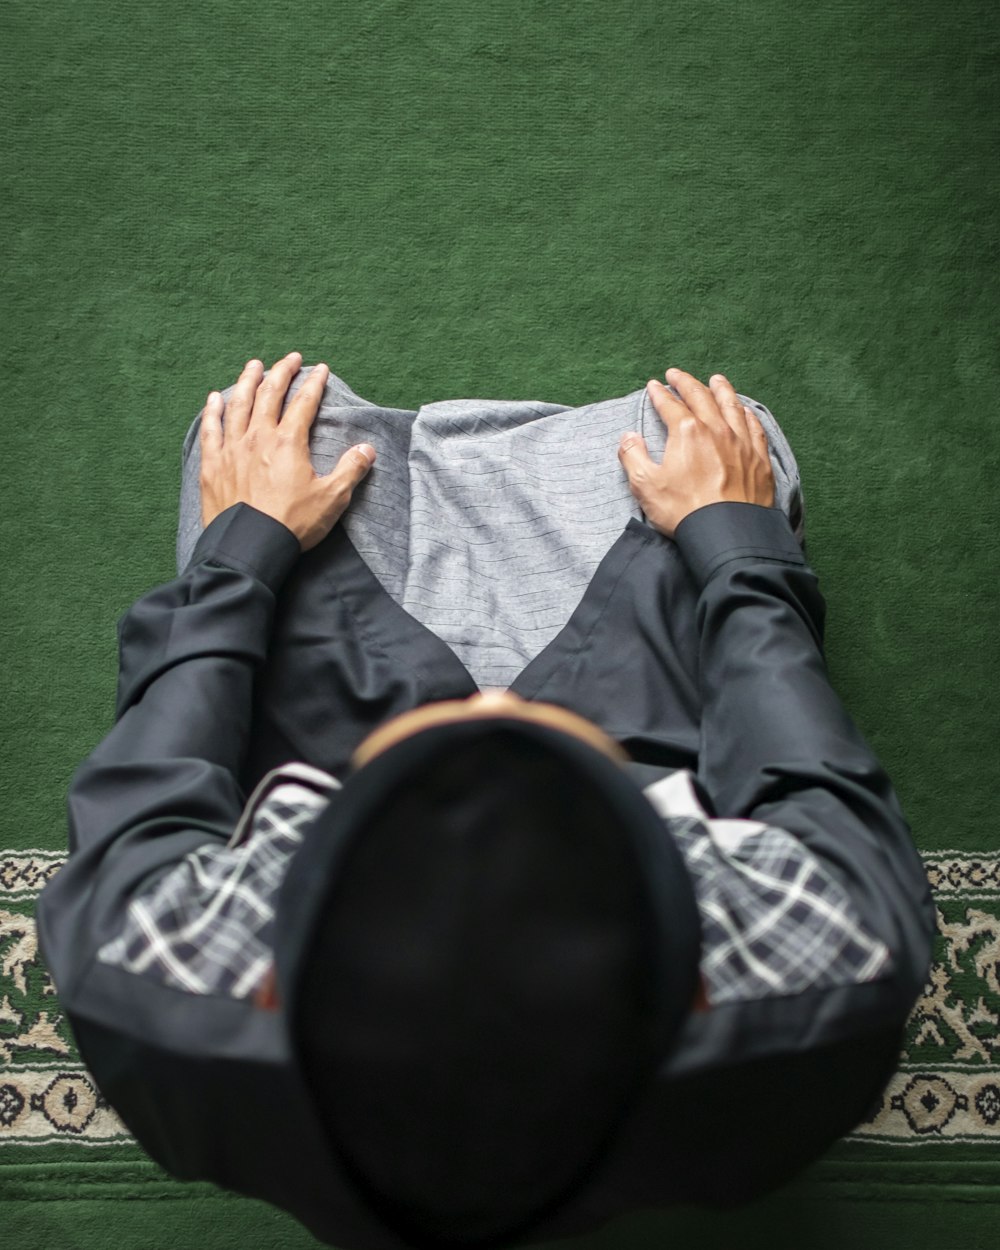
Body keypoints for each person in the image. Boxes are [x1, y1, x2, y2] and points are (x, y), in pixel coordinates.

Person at [35, 354, 936, 1250]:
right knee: (725, 452)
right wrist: (736, 547)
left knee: (267, 436)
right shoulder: (837, 968)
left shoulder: (147, 980)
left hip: (349, 736)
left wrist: (242, 554)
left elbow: (154, 775)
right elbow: (808, 777)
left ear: (271, 952)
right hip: (643, 747)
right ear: (698, 958)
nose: (499, 709)